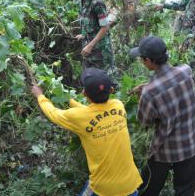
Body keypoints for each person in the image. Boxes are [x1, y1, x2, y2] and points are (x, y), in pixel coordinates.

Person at [30, 68, 142, 196]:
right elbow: (95, 115)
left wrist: (40, 96)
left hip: (103, 187)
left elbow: (53, 113)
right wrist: (70, 100)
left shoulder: (79, 117)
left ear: (84, 93)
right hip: (130, 184)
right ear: (111, 90)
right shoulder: (118, 106)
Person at [129, 36, 195, 196]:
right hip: (191, 143)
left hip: (165, 150)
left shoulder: (150, 93)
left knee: (149, 189)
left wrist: (142, 95)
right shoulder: (186, 71)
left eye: (142, 59)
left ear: (148, 61)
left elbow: (144, 121)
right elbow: (173, 85)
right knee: (186, 190)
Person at [71, 0, 116, 80]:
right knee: (91, 80)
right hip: (89, 51)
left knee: (107, 80)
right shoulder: (82, 2)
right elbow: (92, 23)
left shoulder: (97, 3)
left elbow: (105, 27)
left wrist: (90, 45)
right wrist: (83, 35)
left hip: (101, 51)